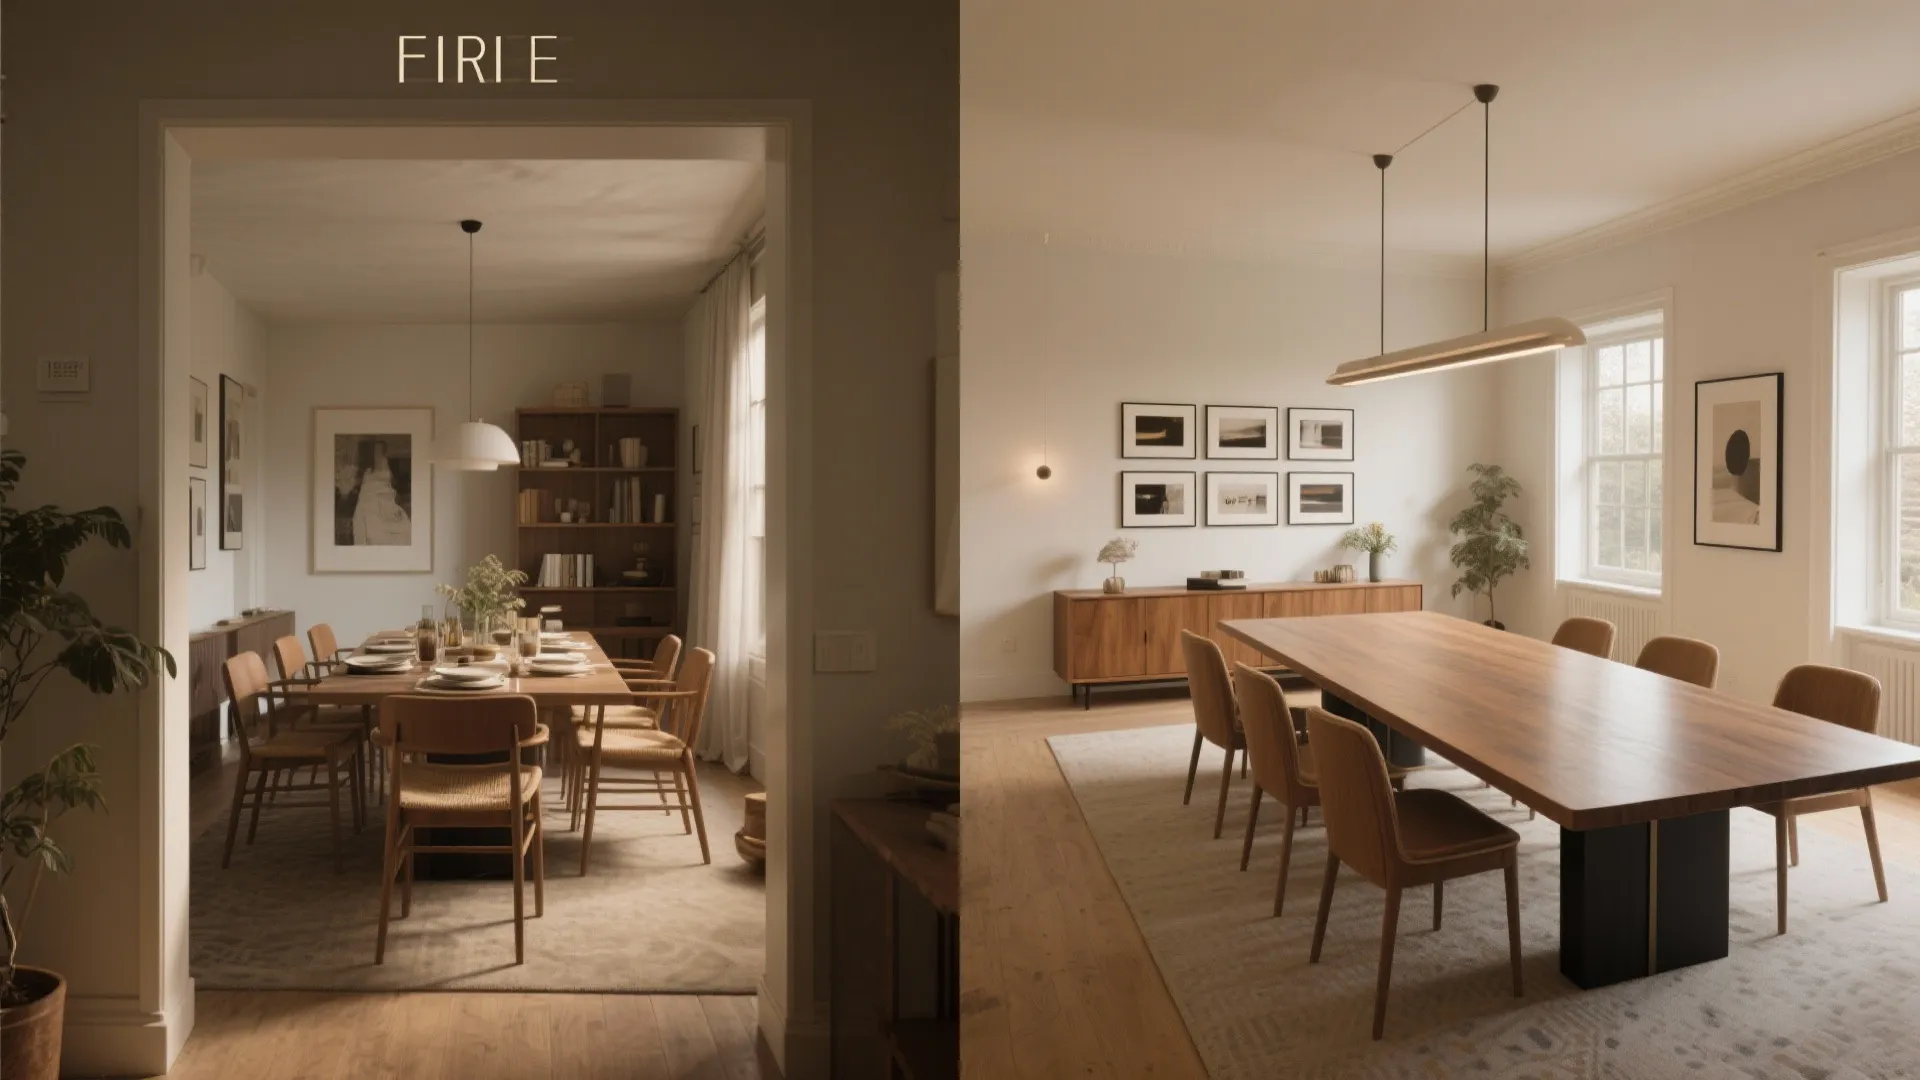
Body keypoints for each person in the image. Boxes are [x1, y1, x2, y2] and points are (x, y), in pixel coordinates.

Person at [351, 440, 411, 545]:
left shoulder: (391, 465)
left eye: (379, 450)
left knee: (401, 524)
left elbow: (394, 486)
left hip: (385, 499)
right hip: (369, 500)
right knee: (365, 516)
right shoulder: (368, 471)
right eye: (375, 451)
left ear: (384, 451)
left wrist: (389, 492)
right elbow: (365, 488)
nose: (376, 453)